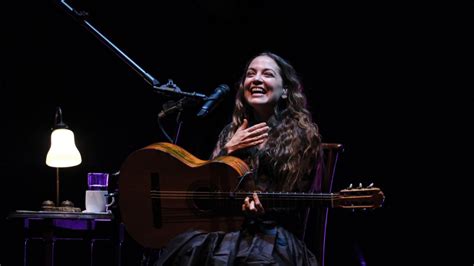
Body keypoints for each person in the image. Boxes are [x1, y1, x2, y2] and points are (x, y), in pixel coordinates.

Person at [145, 52, 323, 265]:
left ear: (285, 91)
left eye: (267, 74)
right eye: (251, 74)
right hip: (224, 229)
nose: (256, 79)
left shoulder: (302, 136)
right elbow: (207, 188)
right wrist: (229, 149)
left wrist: (262, 207)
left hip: (273, 235)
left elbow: (299, 200)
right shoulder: (231, 132)